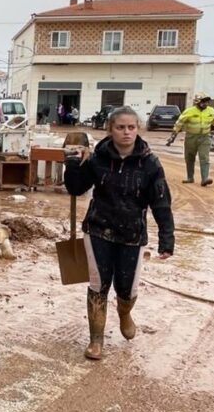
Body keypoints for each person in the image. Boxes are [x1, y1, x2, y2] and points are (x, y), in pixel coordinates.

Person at [64, 106, 174, 360]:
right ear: (110, 129)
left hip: (132, 235)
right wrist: (72, 164)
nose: (126, 132)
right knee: (98, 284)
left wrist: (167, 239)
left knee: (127, 289)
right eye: (120, 127)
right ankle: (96, 340)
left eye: (131, 127)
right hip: (98, 229)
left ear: (138, 129)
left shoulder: (150, 163)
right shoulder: (97, 159)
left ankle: (124, 312)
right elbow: (76, 188)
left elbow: (161, 203)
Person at [170, 93, 214, 186]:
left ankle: (205, 179)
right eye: (203, 101)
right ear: (197, 102)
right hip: (191, 137)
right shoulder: (189, 111)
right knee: (190, 157)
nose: (205, 103)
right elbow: (179, 123)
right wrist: (173, 135)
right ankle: (190, 177)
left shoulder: (211, 110)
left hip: (205, 137)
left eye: (207, 101)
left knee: (204, 157)